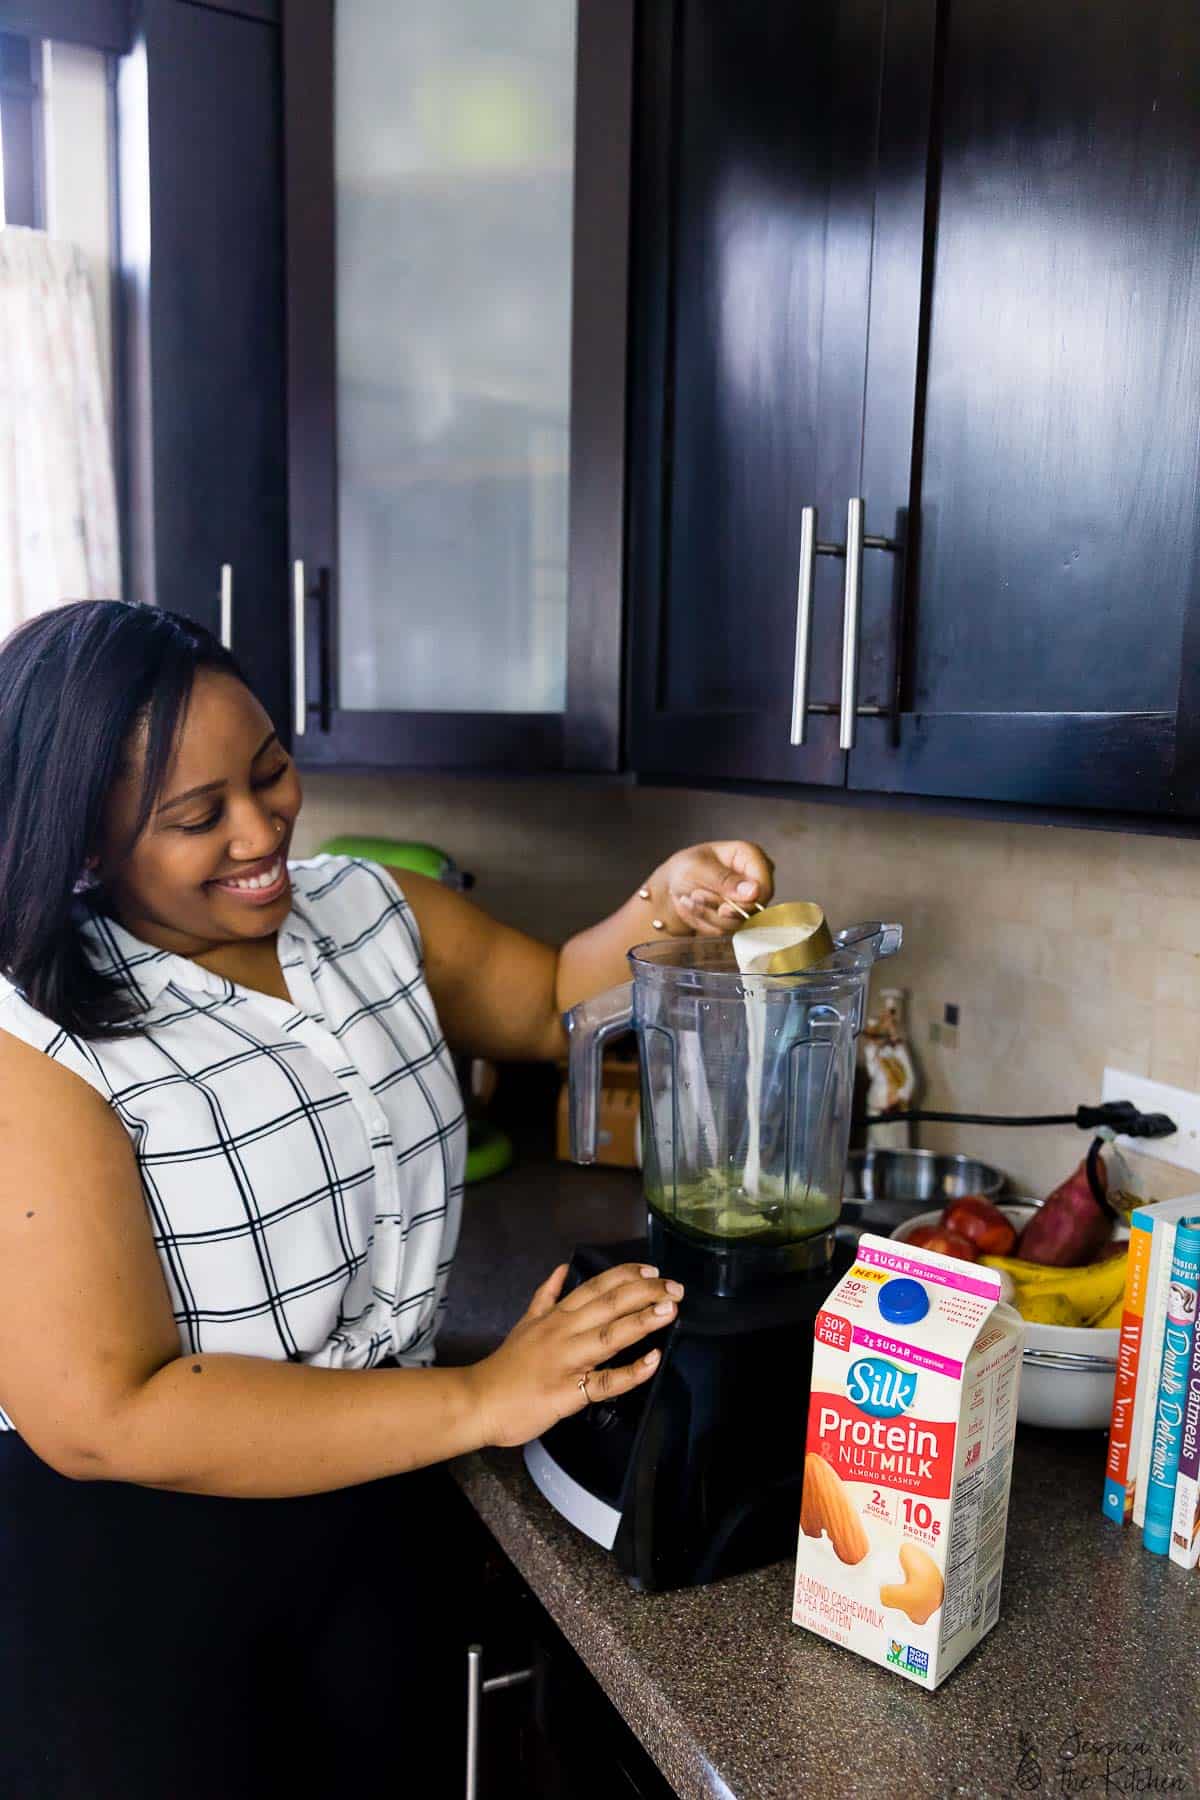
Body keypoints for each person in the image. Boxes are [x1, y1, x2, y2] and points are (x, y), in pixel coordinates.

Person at [0, 601, 775, 1799]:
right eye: (198, 818)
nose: (262, 829)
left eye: (270, 774)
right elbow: (104, 1414)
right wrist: (483, 1396)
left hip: (380, 1492)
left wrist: (665, 906)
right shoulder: (34, 1035)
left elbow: (547, 999)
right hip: (136, 1566)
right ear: (85, 844)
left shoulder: (365, 909)